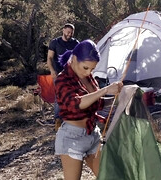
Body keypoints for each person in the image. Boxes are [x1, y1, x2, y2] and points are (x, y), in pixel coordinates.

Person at [54, 39, 123, 180]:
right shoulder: (62, 79)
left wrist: (120, 98)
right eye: (86, 67)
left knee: (109, 177)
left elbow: (96, 103)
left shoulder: (88, 77)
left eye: (92, 69)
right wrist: (105, 90)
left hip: (93, 135)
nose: (88, 72)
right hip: (71, 137)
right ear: (74, 59)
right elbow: (75, 103)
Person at [47, 23, 79, 129]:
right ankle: (58, 120)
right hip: (58, 74)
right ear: (63, 30)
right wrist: (52, 70)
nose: (69, 34)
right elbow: (50, 58)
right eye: (68, 32)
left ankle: (70, 118)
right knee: (59, 97)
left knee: (73, 95)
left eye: (71, 33)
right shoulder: (55, 43)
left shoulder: (75, 43)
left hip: (71, 74)